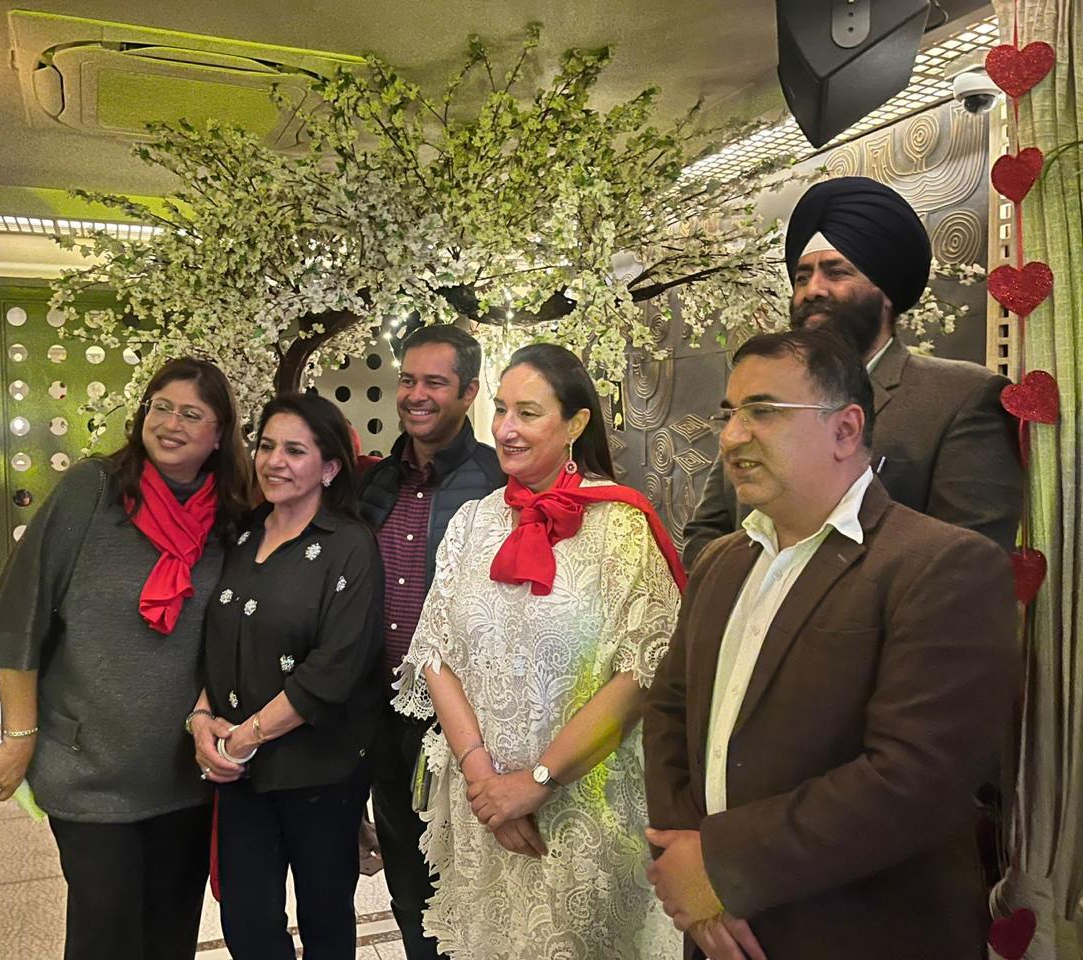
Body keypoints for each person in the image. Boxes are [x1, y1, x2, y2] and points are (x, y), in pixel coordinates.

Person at [643, 328, 1019, 960]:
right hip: (719, 930)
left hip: (859, 931)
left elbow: (915, 779)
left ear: (845, 430)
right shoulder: (723, 562)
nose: (731, 436)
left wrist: (722, 866)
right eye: (729, 413)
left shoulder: (941, 566)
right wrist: (688, 864)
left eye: (763, 411)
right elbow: (669, 712)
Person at [393, 343, 688, 960]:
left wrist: (537, 781)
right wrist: (484, 779)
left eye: (527, 413)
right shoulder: (472, 523)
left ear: (576, 423)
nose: (505, 429)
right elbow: (435, 654)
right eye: (501, 410)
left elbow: (643, 671)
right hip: (483, 808)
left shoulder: (621, 527)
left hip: (582, 810)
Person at [0, 357, 251, 960]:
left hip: (184, 770)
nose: (171, 423)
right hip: (89, 767)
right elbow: (18, 612)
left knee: (169, 936)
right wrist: (19, 736)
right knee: (104, 933)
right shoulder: (94, 490)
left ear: (219, 434)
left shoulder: (232, 515)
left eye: (192, 414)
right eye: (161, 407)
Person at [682, 176, 1023, 569]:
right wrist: (755, 591)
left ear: (886, 291)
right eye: (802, 277)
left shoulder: (961, 397)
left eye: (836, 273)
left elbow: (969, 565)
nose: (813, 290)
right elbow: (706, 532)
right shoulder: (761, 398)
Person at [193, 391, 383, 960]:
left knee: (325, 919)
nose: (274, 461)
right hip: (239, 771)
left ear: (329, 468)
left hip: (318, 769)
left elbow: (334, 668)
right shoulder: (241, 533)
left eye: (295, 451)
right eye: (267, 446)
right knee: (247, 923)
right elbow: (213, 642)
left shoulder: (350, 545)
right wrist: (201, 719)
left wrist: (245, 737)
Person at [358, 324, 504, 959]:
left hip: (467, 722)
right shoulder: (374, 486)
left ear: (469, 392)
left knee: (472, 877)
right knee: (408, 880)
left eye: (435, 383)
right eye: (408, 380)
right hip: (382, 715)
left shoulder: (498, 481)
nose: (416, 395)